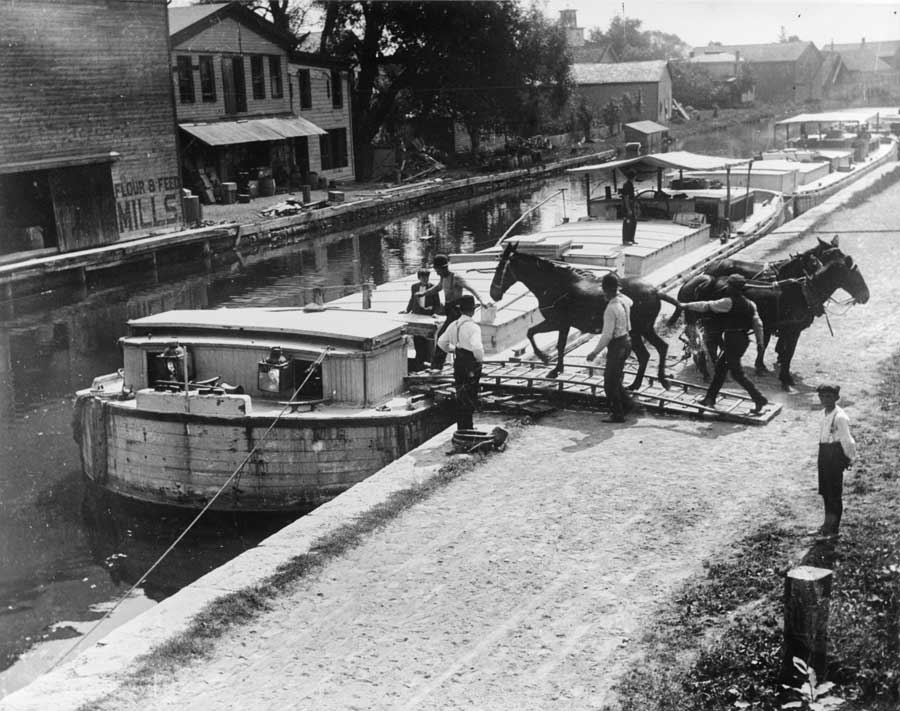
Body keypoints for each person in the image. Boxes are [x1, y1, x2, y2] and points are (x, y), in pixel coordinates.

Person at [679, 273, 769, 413]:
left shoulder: (728, 302)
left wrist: (685, 305)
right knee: (720, 369)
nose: (727, 288)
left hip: (733, 340)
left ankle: (759, 399)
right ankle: (710, 398)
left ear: (732, 288)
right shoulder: (751, 304)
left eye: (729, 286)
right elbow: (758, 324)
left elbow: (707, 306)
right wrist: (760, 343)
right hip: (742, 340)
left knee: (737, 373)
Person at [424, 254, 491, 371]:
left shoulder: (455, 278)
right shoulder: (443, 278)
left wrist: (482, 300)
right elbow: (437, 288)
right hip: (449, 310)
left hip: (457, 310)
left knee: (442, 336)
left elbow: (471, 288)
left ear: (443, 268)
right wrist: (424, 294)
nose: (437, 273)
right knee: (453, 337)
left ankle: (437, 366)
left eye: (437, 270)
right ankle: (443, 364)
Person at [586, 272, 634, 423]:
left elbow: (606, 336)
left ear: (606, 290)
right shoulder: (624, 301)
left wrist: (594, 352)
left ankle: (617, 414)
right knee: (616, 377)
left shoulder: (610, 309)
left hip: (617, 345)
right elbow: (631, 301)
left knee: (609, 382)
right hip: (627, 342)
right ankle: (628, 405)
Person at [815, 383, 856, 541]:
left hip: (835, 454)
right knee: (825, 491)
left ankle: (834, 529)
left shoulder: (840, 417)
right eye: (822, 396)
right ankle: (826, 524)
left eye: (829, 397)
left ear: (837, 398)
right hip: (824, 453)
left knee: (834, 493)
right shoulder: (823, 413)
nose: (825, 400)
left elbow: (847, 440)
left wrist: (850, 458)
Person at [436, 295, 484, 431]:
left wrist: (452, 350)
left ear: (461, 310)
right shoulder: (473, 327)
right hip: (471, 363)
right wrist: (480, 361)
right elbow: (477, 348)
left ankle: (462, 427)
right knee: (470, 395)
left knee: (460, 393)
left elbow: (441, 342)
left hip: (459, 362)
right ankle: (468, 427)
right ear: (473, 311)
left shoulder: (453, 325)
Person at [401, 269, 441, 370]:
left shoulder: (433, 287)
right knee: (417, 338)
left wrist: (436, 313)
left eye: (427, 277)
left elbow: (437, 303)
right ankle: (419, 360)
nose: (425, 279)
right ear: (419, 278)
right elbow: (412, 299)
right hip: (417, 314)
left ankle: (428, 360)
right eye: (423, 278)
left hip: (428, 314)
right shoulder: (414, 287)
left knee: (428, 339)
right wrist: (407, 310)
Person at [621, 169, 637, 245]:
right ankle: (625, 240)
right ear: (633, 177)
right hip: (628, 207)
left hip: (631, 206)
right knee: (627, 223)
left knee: (633, 222)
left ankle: (631, 238)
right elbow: (626, 198)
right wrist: (628, 209)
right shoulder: (626, 185)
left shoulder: (630, 184)